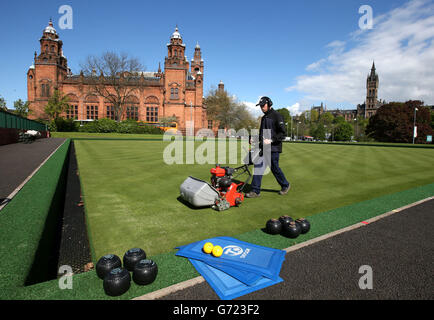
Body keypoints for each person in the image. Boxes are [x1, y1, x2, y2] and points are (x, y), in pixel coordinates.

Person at [245, 96, 290, 198]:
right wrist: (253, 138)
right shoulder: (264, 118)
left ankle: (285, 185)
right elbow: (261, 134)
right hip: (264, 148)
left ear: (269, 104)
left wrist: (271, 140)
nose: (261, 108)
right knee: (258, 167)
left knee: (274, 168)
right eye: (260, 106)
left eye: (263, 106)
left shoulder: (277, 116)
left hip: (274, 148)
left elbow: (282, 133)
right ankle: (255, 191)